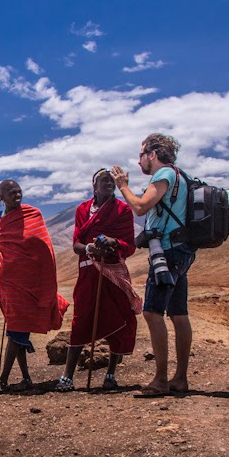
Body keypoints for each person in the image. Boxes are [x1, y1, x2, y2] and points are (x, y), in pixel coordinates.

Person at [111, 134, 196, 397]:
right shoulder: (180, 176)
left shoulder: (164, 175)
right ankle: (180, 379)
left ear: (153, 154)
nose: (139, 161)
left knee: (152, 312)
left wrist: (123, 186)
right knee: (179, 314)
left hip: (168, 253)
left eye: (141, 155)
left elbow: (140, 207)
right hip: (181, 251)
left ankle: (160, 380)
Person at [56, 168, 141, 392]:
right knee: (81, 319)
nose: (109, 183)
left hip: (113, 272)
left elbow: (129, 245)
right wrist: (90, 248)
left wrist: (113, 242)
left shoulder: (122, 209)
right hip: (88, 272)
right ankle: (67, 377)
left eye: (112, 181)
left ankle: (110, 375)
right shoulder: (83, 209)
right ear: (94, 186)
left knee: (119, 316)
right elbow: (76, 245)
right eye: (104, 180)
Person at [0, 179, 69, 395]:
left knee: (16, 329)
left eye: (19, 191)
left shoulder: (33, 214)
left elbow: (43, 247)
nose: (17, 195)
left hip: (29, 282)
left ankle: (2, 380)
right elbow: (1, 246)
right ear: (1, 197)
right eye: (11, 192)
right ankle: (26, 378)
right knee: (17, 328)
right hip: (9, 282)